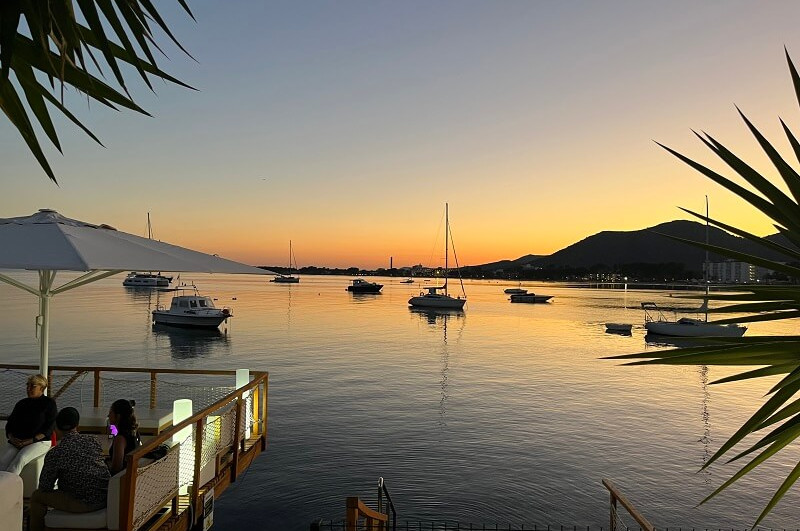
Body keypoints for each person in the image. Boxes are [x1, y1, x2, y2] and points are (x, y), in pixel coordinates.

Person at [29, 407, 110, 531]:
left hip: (81, 502)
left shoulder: (56, 453)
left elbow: (45, 486)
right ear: (77, 424)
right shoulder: (93, 441)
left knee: (36, 496)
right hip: (103, 497)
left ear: (56, 427)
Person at [0, 374, 56, 475]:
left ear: (42, 388)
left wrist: (30, 441)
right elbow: (10, 424)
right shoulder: (21, 403)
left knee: (20, 459)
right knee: (2, 462)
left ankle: (8, 488)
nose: (28, 388)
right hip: (18, 442)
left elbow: (49, 428)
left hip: (39, 442)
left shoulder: (49, 403)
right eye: (27, 385)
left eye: (33, 386)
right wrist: (12, 438)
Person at [106, 399, 141, 475]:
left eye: (111, 412)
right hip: (131, 475)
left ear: (118, 416)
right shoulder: (134, 431)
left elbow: (116, 468)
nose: (108, 415)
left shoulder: (120, 439)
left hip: (121, 480)